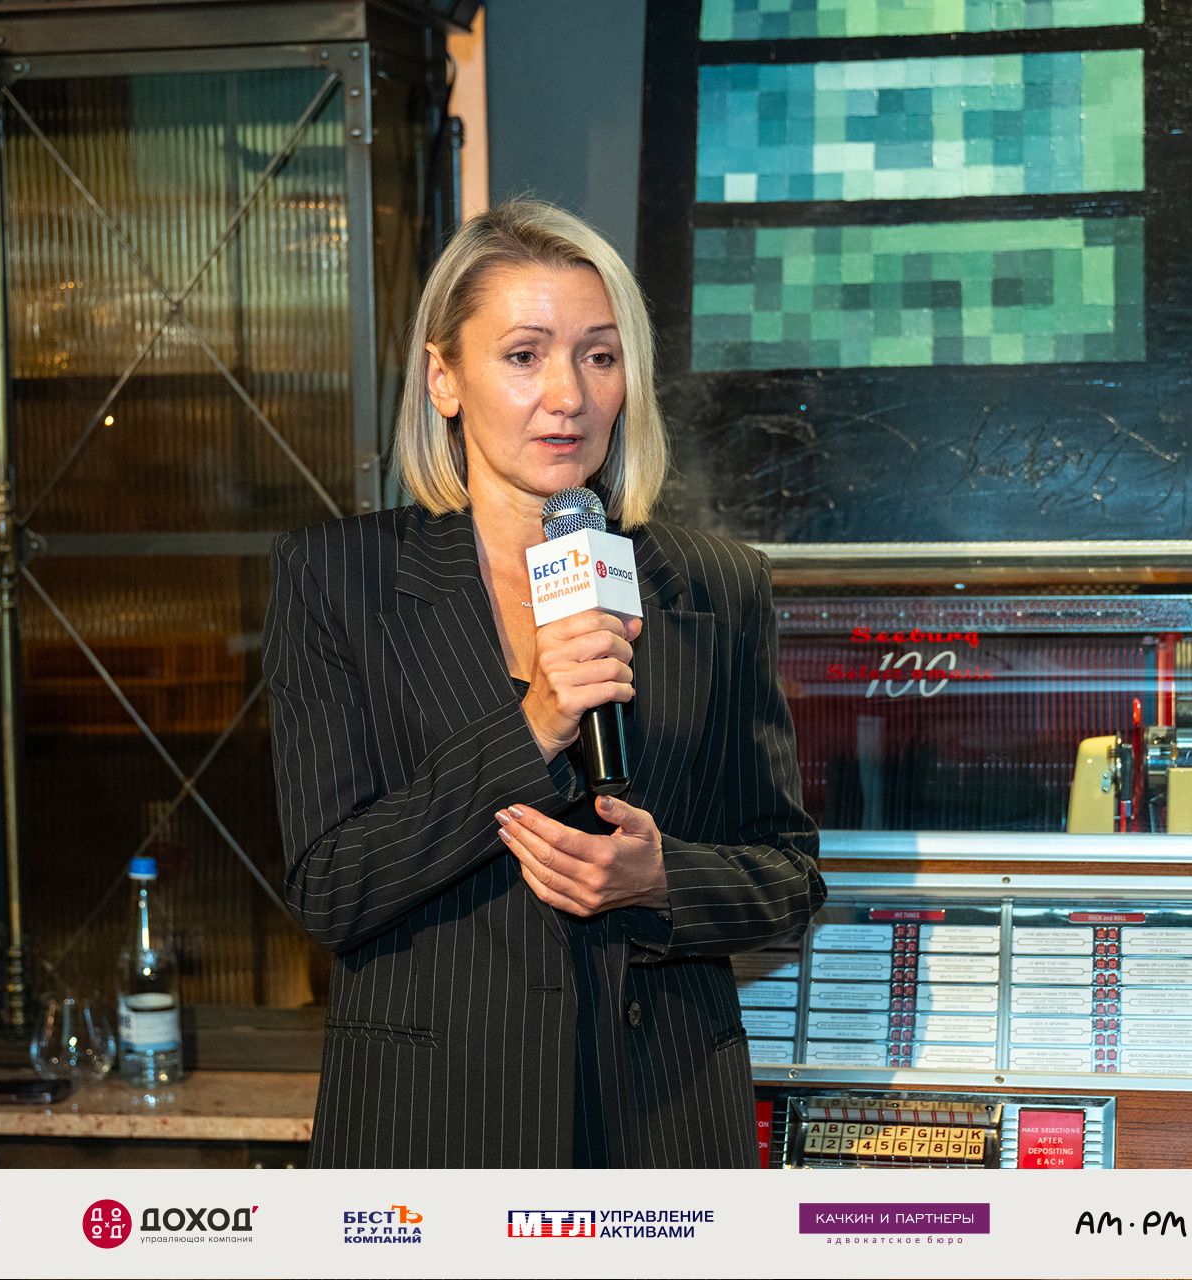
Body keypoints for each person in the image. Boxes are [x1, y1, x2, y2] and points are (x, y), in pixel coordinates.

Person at [264, 200, 823, 1168]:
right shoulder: (337, 578)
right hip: (433, 1130)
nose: (568, 394)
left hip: (662, 1128)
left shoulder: (717, 585)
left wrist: (660, 879)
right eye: (524, 355)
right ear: (444, 378)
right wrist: (531, 728)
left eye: (599, 356)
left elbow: (789, 875)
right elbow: (330, 888)